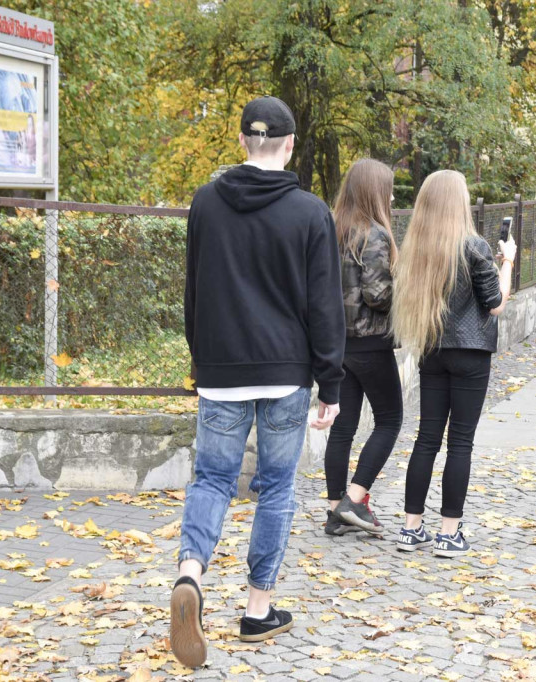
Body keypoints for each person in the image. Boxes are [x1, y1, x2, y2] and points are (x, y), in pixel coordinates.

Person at [172, 97, 345, 668]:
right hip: (284, 373)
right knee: (275, 487)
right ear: (290, 144)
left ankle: (191, 573)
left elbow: (193, 290)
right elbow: (324, 306)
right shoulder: (309, 212)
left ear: (243, 142)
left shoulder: (205, 203)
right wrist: (331, 384)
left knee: (213, 479)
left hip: (221, 371)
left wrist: (204, 360)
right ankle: (256, 609)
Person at [391, 170, 515, 557]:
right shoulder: (474, 246)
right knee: (460, 442)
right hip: (471, 353)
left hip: (433, 350)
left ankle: (411, 528)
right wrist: (508, 263)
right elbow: (495, 305)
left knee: (426, 438)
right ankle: (449, 533)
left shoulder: (418, 246)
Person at [323, 159, 402, 537]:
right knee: (390, 420)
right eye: (387, 188)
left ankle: (335, 511)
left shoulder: (333, 229)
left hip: (339, 343)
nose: (391, 195)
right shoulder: (374, 235)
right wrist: (405, 288)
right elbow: (377, 294)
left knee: (343, 428)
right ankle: (355, 499)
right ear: (373, 191)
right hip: (370, 343)